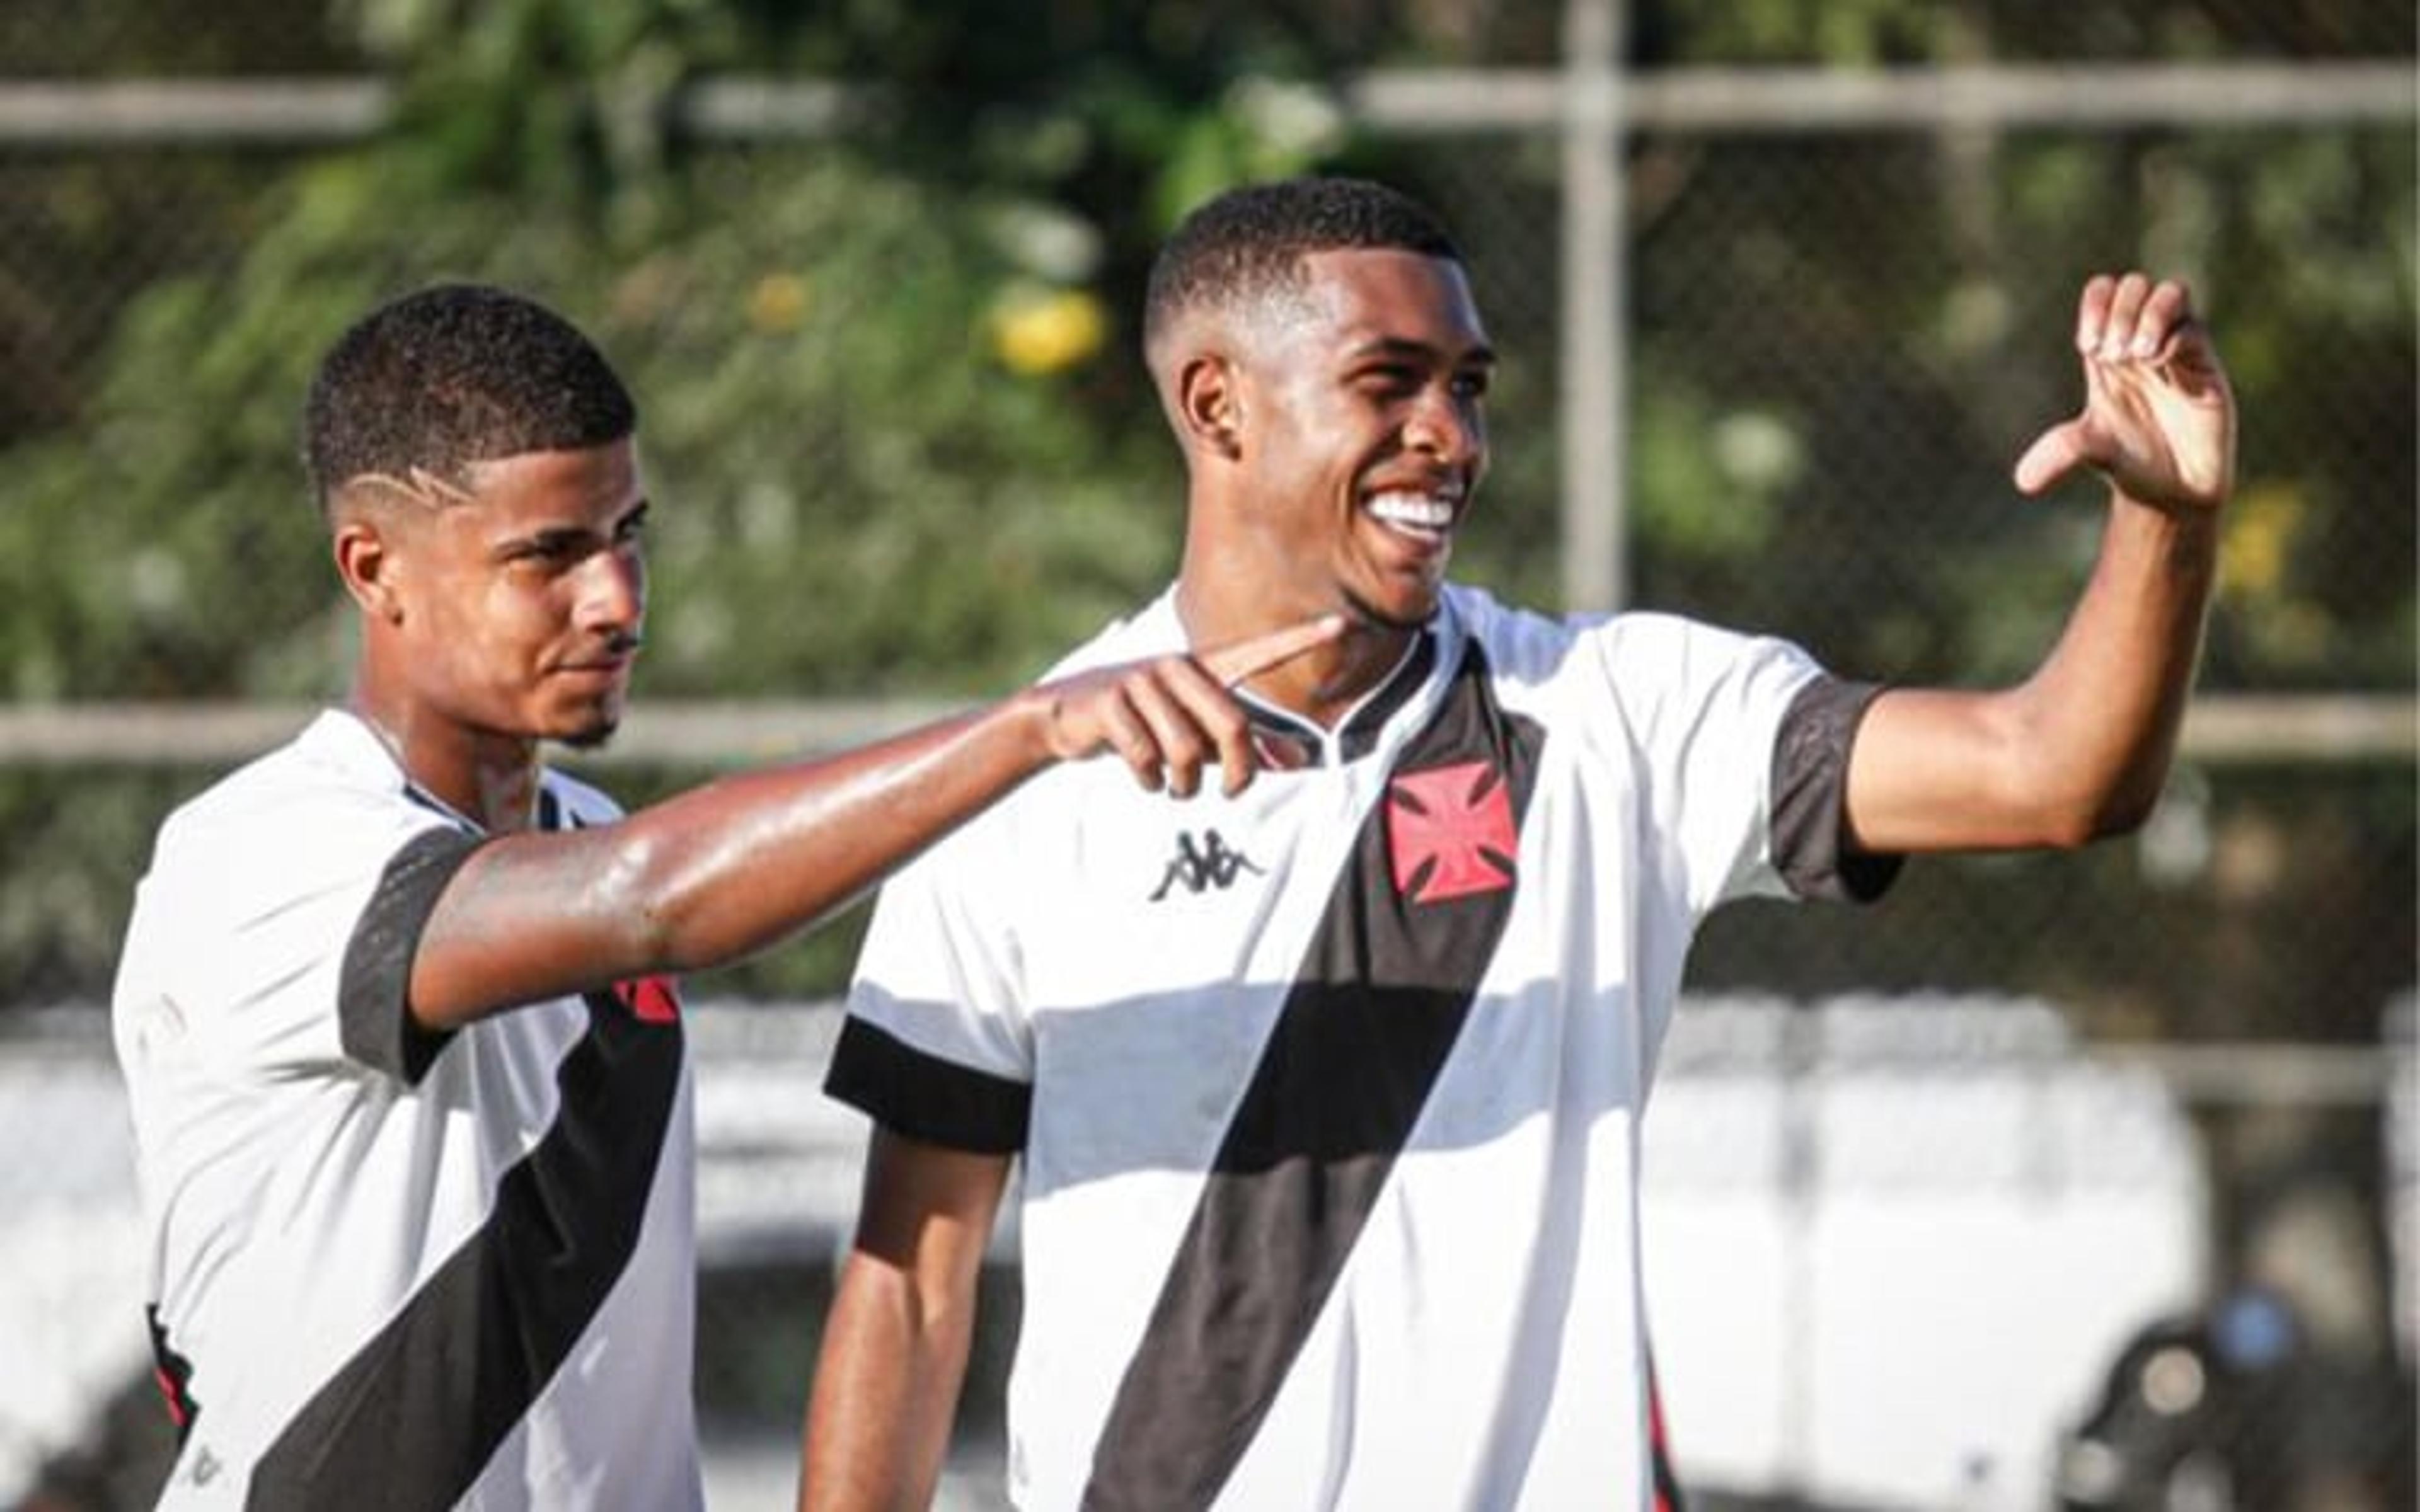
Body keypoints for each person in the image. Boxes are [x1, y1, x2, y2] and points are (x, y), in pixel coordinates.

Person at [800, 176, 2235, 1511]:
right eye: (1391, 384)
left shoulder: (1622, 717)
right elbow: (913, 1286)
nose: (1452, 436)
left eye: (1469, 388)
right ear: (1217, 406)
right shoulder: (1025, 786)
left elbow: (2052, 777)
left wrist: (2166, 524)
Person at [108, 283, 1340, 1509]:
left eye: (627, 534)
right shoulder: (263, 856)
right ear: (375, 570)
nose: (617, 600)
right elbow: (657, 898)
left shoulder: (578, 835)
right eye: (548, 555)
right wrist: (1031, 729)